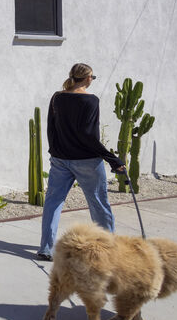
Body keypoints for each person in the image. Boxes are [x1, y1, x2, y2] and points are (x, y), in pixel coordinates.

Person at [37, 63, 127, 261]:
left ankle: (46, 248)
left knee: (53, 202)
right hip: (86, 161)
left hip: (60, 159)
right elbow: (89, 135)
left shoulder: (57, 97)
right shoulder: (91, 100)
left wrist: (55, 150)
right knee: (98, 203)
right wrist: (112, 159)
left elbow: (51, 128)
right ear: (87, 79)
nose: (92, 81)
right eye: (92, 78)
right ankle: (107, 248)